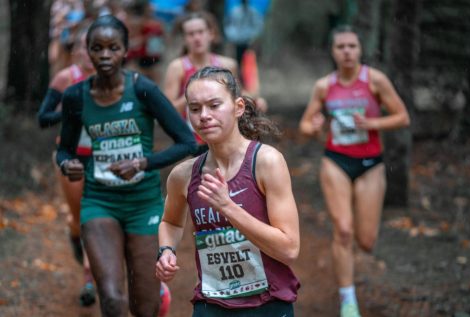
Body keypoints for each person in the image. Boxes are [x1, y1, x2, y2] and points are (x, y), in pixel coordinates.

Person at [56, 15, 196, 316]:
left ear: (125, 50)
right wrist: (68, 164)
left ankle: (158, 297)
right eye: (97, 48)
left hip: (143, 204)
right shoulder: (75, 97)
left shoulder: (143, 89)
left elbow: (187, 142)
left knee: (144, 307)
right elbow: (64, 150)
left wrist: (143, 163)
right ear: (88, 51)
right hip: (99, 201)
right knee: (111, 299)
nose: (105, 55)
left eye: (113, 48)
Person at [155, 66, 300, 316]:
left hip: (267, 304)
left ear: (238, 107)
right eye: (195, 108)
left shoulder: (266, 163)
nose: (204, 116)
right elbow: (170, 222)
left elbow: (289, 249)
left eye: (214, 105)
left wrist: (228, 207)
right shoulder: (183, 175)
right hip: (211, 305)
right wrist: (166, 249)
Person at [299, 25, 410, 317]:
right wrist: (315, 127)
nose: (347, 51)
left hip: (371, 164)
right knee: (344, 230)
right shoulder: (325, 86)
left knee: (366, 240)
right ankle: (348, 301)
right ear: (333, 52)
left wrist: (372, 125)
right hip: (335, 160)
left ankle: (348, 272)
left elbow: (402, 117)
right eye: (341, 47)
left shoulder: (375, 80)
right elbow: (305, 124)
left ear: (360, 50)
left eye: (352, 46)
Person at [38, 27, 97, 307]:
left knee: (94, 218)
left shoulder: (112, 80)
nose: (89, 53)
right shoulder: (67, 78)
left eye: (94, 47)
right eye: (83, 48)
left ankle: (90, 280)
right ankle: (73, 234)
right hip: (71, 157)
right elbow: (43, 118)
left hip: (104, 159)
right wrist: (71, 108)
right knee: (79, 218)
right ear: (75, 52)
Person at [163, 11, 267, 152]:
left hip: (223, 135)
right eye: (191, 34)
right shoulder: (177, 67)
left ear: (211, 34)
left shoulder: (227, 65)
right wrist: (193, 94)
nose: (196, 38)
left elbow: (238, 96)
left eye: (200, 32)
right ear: (184, 39)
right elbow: (166, 112)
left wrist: (255, 101)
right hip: (190, 140)